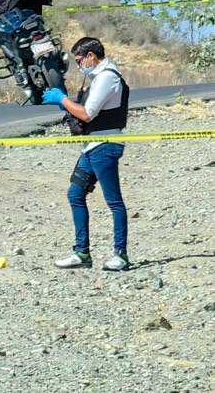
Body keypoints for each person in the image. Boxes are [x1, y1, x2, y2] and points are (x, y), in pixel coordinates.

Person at [42, 37, 130, 271]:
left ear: (91, 55)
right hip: (92, 146)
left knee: (114, 201)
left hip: (105, 145)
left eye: (79, 60)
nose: (79, 66)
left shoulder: (107, 77)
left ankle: (120, 255)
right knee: (75, 194)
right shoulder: (97, 78)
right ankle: (82, 253)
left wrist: (62, 99)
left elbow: (88, 114)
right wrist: (65, 104)